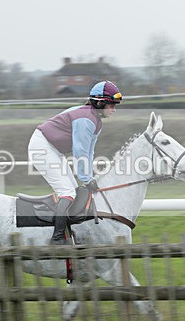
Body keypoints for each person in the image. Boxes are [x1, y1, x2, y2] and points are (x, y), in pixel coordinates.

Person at [28, 80, 122, 244]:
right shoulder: (86, 119)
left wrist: (90, 177)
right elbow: (80, 152)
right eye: (111, 105)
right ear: (100, 102)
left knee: (73, 190)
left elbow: (89, 152)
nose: (114, 110)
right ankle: (56, 239)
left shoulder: (96, 121)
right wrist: (86, 178)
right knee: (68, 192)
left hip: (53, 149)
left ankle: (67, 233)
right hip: (42, 146)